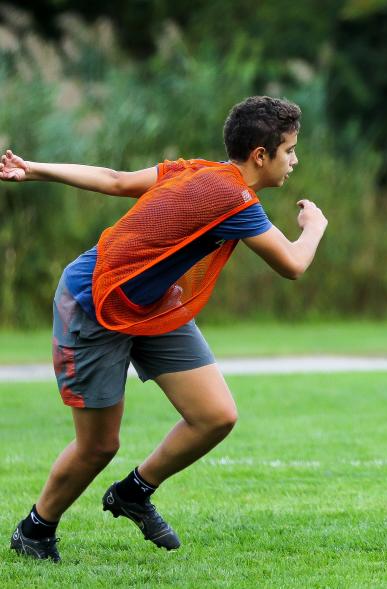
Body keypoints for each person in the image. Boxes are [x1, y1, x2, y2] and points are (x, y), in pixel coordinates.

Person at [4, 96, 328, 563]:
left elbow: (116, 181)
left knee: (215, 415)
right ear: (261, 154)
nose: (294, 160)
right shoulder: (233, 197)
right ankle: (35, 530)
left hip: (152, 307)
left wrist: (34, 168)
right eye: (291, 150)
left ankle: (133, 493)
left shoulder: (198, 171)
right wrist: (314, 226)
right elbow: (294, 264)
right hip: (95, 301)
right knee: (98, 445)